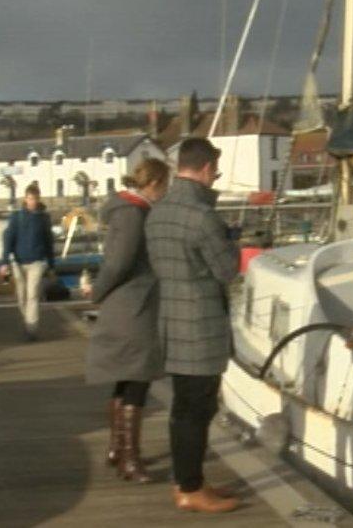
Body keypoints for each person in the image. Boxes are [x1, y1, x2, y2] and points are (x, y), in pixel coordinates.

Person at [145, 137, 240, 513]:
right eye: (215, 169)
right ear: (204, 169)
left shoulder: (159, 212)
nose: (216, 176)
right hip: (201, 327)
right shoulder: (202, 217)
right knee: (197, 411)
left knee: (183, 408)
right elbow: (227, 270)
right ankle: (191, 487)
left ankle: (188, 480)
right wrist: (233, 242)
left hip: (172, 322)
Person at [85, 158, 171, 483]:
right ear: (153, 184)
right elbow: (120, 263)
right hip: (135, 306)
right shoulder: (135, 214)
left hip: (128, 304)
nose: (166, 191)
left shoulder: (130, 210)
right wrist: (98, 292)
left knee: (124, 377)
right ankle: (130, 461)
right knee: (138, 378)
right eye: (165, 184)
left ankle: (117, 448)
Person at [0, 182, 54, 340]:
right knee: (21, 295)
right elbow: (8, 238)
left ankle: (31, 328)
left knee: (33, 295)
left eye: (35, 199)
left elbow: (48, 241)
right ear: (25, 199)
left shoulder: (44, 218)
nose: (32, 202)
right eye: (30, 199)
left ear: (38, 199)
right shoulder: (17, 217)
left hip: (36, 261)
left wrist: (51, 265)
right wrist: (4, 261)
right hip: (18, 262)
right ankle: (27, 321)